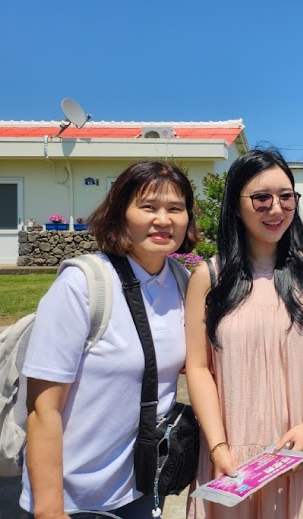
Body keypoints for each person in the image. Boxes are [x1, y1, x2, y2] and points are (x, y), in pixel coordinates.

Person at [20, 160, 200, 518]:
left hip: (143, 486)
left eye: (175, 209)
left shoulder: (183, 284)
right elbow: (43, 408)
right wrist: (49, 509)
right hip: (73, 495)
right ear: (120, 213)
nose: (163, 220)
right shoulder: (83, 284)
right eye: (148, 206)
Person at [185, 149, 303, 519]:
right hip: (233, 455)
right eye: (261, 198)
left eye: (286, 197)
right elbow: (198, 368)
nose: (276, 209)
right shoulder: (208, 278)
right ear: (236, 205)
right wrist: (217, 446)